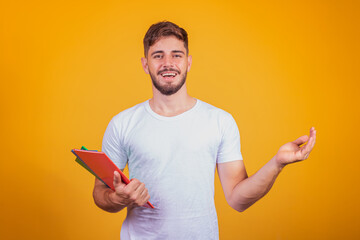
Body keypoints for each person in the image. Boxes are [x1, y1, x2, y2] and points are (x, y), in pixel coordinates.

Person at [92, 21, 316, 240]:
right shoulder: (122, 124)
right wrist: (118, 198)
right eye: (158, 55)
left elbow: (238, 199)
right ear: (145, 64)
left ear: (188, 62)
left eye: (176, 55)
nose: (168, 63)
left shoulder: (220, 121)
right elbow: (100, 194)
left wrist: (277, 163)